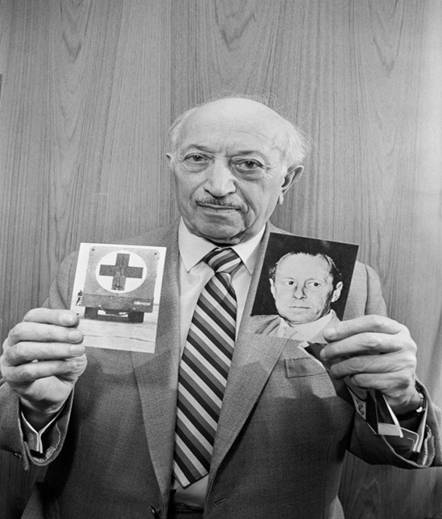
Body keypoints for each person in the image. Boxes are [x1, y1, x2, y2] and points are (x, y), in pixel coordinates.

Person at [0, 97, 441, 519]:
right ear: (172, 165)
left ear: (286, 180)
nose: (217, 186)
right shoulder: (96, 270)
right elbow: (17, 419)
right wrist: (36, 409)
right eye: (196, 159)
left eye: (248, 164)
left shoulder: (346, 281)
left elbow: (384, 448)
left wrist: (399, 402)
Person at [249, 251, 344, 339]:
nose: (298, 295)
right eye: (290, 283)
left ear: (336, 292)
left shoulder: (346, 341)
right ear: (273, 288)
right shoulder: (249, 325)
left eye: (314, 284)